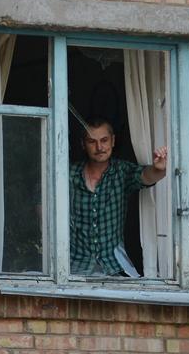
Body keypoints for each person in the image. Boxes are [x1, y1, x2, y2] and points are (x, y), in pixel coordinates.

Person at [70, 117, 167, 277]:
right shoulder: (69, 174)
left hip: (113, 265)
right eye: (92, 141)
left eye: (104, 140)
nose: (99, 147)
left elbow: (145, 176)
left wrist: (159, 169)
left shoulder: (121, 171)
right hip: (74, 266)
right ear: (83, 144)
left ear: (113, 141)